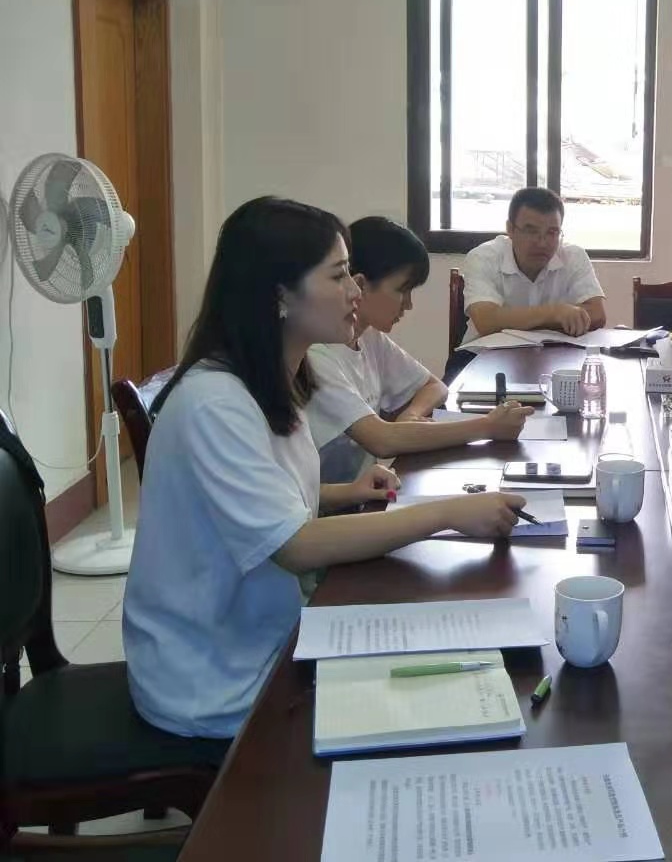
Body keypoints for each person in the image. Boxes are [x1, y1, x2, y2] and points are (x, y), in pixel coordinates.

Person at [123, 198, 526, 740]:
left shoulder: (277, 377)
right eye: (338, 276)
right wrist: (448, 513)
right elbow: (294, 545)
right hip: (219, 678)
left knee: (460, 649)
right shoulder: (215, 403)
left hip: (264, 634)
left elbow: (266, 503)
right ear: (279, 294)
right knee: (450, 702)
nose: (355, 291)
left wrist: (341, 492)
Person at [307, 216, 532, 483]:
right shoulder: (318, 354)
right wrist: (488, 426)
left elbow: (435, 386)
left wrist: (411, 415)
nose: (408, 304)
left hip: (367, 490)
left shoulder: (369, 337)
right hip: (332, 503)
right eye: (402, 291)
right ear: (361, 285)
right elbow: (381, 440)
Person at [455, 186, 605, 348]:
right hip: (483, 353)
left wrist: (517, 320)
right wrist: (554, 313)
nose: (542, 243)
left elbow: (597, 314)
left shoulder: (573, 256)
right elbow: (487, 321)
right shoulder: (483, 257)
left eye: (552, 232)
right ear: (510, 229)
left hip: (554, 352)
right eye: (531, 231)